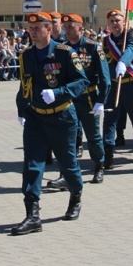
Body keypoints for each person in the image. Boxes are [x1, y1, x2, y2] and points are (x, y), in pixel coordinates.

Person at [12, 12, 89, 235]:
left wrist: (58, 93)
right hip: (36, 117)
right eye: (30, 28)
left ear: (48, 29)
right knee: (32, 165)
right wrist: (21, 109)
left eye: (37, 28)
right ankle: (32, 215)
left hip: (61, 116)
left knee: (68, 164)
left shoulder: (64, 53)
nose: (32, 32)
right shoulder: (26, 55)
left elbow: (82, 81)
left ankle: (76, 195)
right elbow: (24, 84)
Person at [47, 13, 110, 187]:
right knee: (67, 137)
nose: (67, 29)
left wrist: (101, 101)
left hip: (89, 98)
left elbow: (105, 78)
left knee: (93, 136)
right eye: (65, 26)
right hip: (69, 99)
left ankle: (99, 166)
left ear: (80, 28)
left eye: (71, 26)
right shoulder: (62, 48)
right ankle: (64, 174)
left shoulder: (92, 47)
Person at [101, 10, 133, 168]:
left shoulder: (131, 35)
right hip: (114, 85)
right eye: (112, 21)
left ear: (124, 22)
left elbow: (132, 49)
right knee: (109, 120)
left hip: (131, 84)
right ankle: (108, 155)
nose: (115, 23)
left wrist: (123, 62)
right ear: (108, 24)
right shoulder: (105, 41)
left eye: (118, 20)